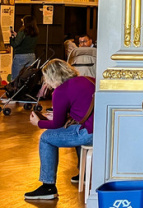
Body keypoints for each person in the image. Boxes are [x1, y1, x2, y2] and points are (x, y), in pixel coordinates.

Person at [24, 60, 94, 200]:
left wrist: (39, 123)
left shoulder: (60, 91)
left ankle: (48, 186)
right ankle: (84, 173)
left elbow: (57, 123)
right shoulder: (88, 79)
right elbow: (82, 107)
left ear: (52, 77)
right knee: (73, 129)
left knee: (46, 138)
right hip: (103, 128)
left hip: (89, 133)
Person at [9, 15, 38, 81]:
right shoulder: (35, 32)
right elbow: (26, 41)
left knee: (15, 77)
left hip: (21, 56)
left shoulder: (22, 31)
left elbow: (15, 44)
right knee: (27, 77)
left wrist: (11, 38)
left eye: (23, 22)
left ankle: (14, 90)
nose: (22, 23)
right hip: (32, 56)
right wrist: (17, 36)